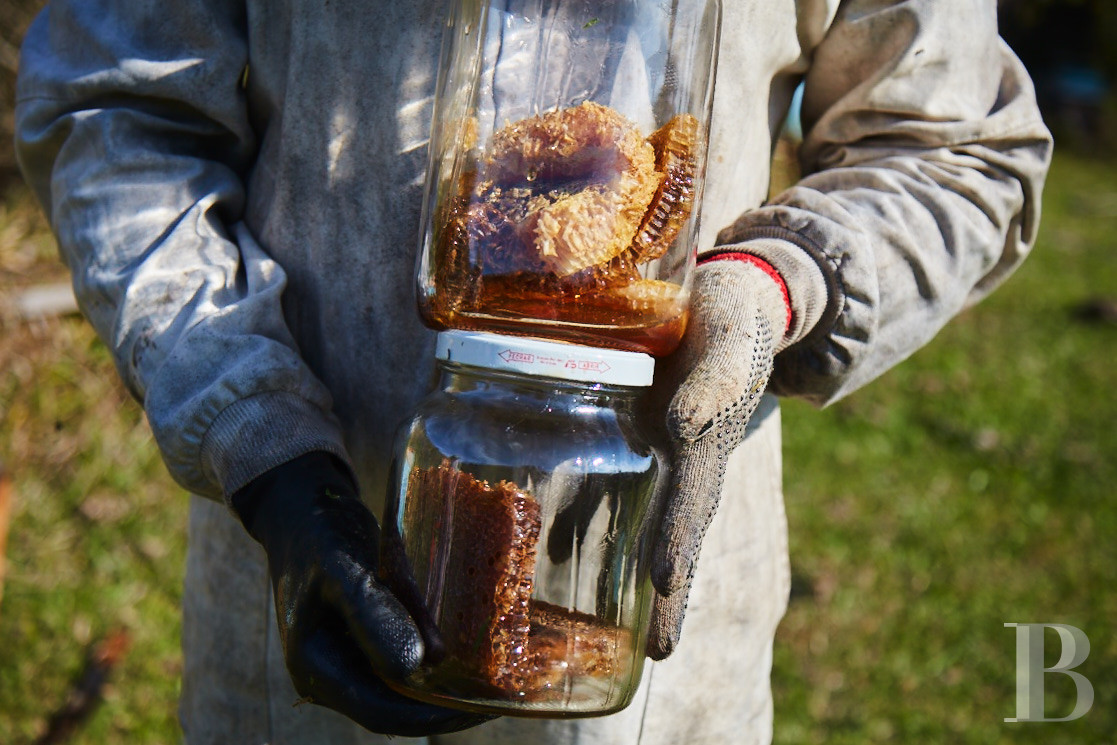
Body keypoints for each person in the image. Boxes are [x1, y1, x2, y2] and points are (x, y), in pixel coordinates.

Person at [14, 1, 1051, 743]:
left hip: (657, 646)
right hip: (298, 588)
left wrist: (775, 286)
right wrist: (263, 445)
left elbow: (955, 143)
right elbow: (119, 109)